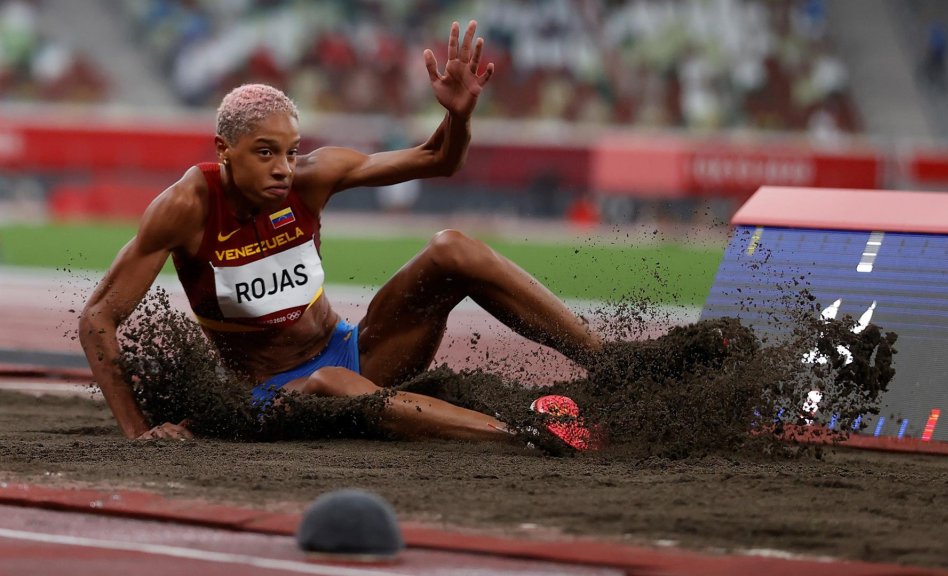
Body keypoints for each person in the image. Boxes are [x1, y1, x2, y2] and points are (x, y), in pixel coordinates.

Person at [78, 21, 601, 451]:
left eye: (289, 150)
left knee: (451, 249)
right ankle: (526, 436)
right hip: (271, 398)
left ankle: (615, 365)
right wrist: (138, 431)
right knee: (330, 385)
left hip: (356, 356)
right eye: (264, 152)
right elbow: (98, 317)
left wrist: (457, 117)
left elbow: (438, 159)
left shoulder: (311, 177)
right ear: (224, 151)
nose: (283, 168)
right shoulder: (184, 208)